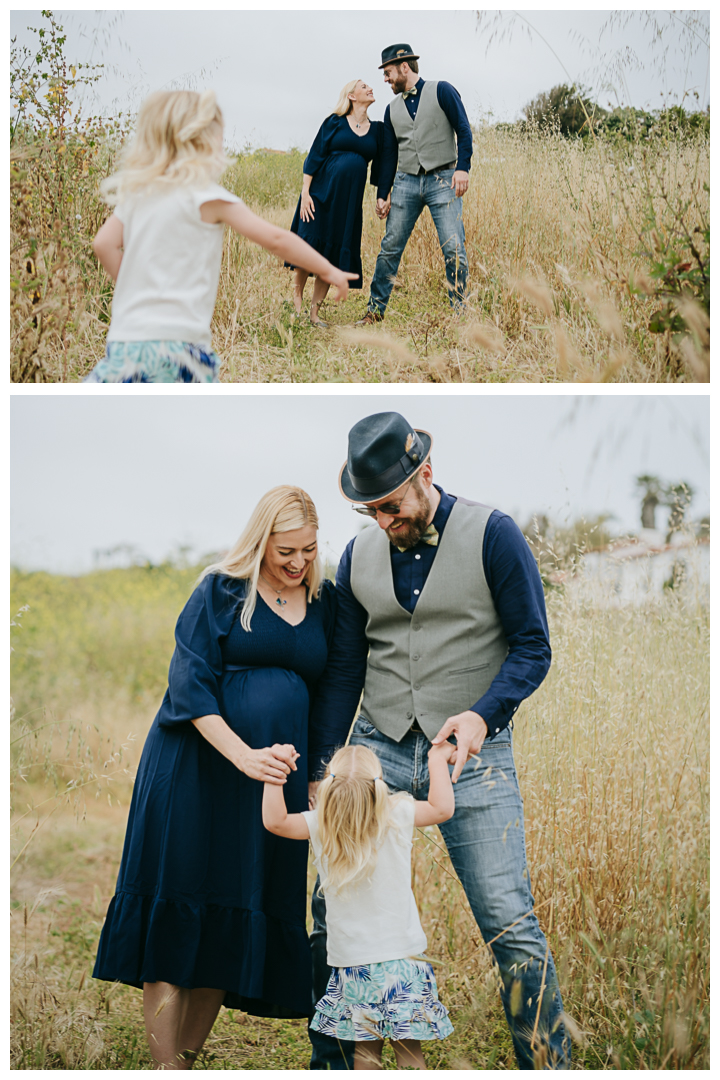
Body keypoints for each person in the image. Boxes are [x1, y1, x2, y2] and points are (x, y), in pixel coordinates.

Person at [307, 412, 571, 1070]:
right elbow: (346, 668)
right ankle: (337, 1061)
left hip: (471, 759)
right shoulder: (358, 556)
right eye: (369, 511)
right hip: (379, 747)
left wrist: (483, 716)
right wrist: (324, 766)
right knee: (327, 909)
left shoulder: (494, 535)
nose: (383, 522)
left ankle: (550, 1064)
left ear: (425, 473)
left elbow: (533, 648)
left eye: (391, 506)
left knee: (509, 923)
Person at [93, 486, 336, 1070]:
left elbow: (330, 689)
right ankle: (164, 1066)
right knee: (180, 905)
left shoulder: (325, 601)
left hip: (270, 786)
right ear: (259, 542)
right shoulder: (221, 590)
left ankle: (187, 1060)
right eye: (285, 552)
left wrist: (315, 775)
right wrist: (243, 755)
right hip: (197, 770)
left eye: (307, 549)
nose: (298, 562)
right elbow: (189, 685)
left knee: (234, 910)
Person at [86, 90, 356, 382]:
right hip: (179, 348)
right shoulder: (207, 196)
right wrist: (329, 269)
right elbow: (277, 240)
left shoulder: (139, 193)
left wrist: (136, 288)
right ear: (202, 139)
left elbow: (103, 244)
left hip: (125, 343)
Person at [262, 743, 455, 1070]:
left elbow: (276, 822)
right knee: (410, 1054)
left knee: (366, 1055)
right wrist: (436, 760)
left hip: (354, 965)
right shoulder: (396, 813)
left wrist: (274, 774)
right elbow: (441, 809)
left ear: (328, 786)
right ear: (379, 786)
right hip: (402, 962)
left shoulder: (320, 824)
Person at [356, 45, 472, 325]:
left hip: (443, 179)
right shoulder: (391, 109)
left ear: (404, 67)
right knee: (390, 247)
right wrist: (383, 194)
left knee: (453, 248)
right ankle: (375, 311)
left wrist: (463, 168)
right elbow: (389, 155)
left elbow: (464, 129)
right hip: (406, 182)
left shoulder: (442, 90)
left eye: (388, 73)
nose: (385, 79)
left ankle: (460, 314)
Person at [286, 79, 385, 327]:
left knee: (333, 253)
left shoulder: (377, 131)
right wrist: (305, 192)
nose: (370, 88)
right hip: (320, 193)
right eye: (364, 86)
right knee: (310, 245)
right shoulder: (334, 122)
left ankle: (314, 313)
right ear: (351, 96)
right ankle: (297, 295)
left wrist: (385, 194)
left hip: (348, 203)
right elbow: (315, 155)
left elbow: (383, 167)